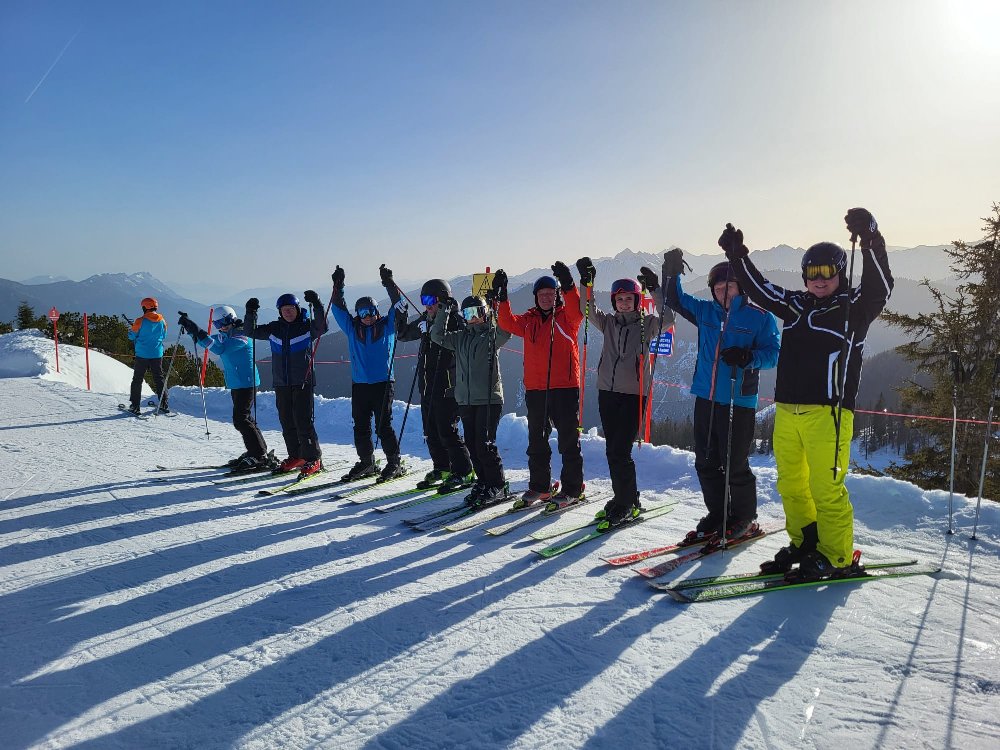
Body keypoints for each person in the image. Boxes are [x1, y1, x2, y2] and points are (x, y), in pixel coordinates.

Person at [719, 207, 893, 581]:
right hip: (787, 411)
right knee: (791, 484)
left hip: (829, 414)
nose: (819, 279)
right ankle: (806, 542)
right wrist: (737, 255)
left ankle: (837, 555)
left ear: (840, 272)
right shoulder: (795, 305)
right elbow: (760, 289)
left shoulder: (855, 308)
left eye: (827, 271)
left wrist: (870, 239)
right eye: (812, 272)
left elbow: (881, 287)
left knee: (826, 488)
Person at [661, 251, 780, 545]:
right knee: (705, 460)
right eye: (717, 288)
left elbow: (774, 354)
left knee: (735, 463)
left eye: (729, 287)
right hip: (706, 397)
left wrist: (748, 357)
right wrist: (672, 272)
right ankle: (719, 514)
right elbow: (676, 299)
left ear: (740, 287)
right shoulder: (705, 312)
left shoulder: (759, 317)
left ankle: (744, 518)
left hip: (739, 401)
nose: (723, 293)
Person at [574, 258, 677, 530]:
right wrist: (586, 283)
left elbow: (669, 318)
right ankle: (626, 497)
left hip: (633, 395)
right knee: (612, 449)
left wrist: (654, 288)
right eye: (619, 300)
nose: (624, 303)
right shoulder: (607, 323)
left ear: (636, 301)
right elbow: (586, 308)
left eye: (629, 299)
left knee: (620, 451)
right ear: (614, 302)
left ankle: (626, 502)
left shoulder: (647, 324)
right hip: (607, 392)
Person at [494, 262, 585, 508]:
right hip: (535, 390)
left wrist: (568, 284)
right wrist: (502, 296)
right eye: (541, 294)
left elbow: (577, 308)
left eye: (550, 293)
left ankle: (573, 488)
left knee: (568, 441)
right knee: (537, 441)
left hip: (565, 388)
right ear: (535, 297)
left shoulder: (568, 318)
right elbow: (506, 323)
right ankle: (540, 487)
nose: (546, 298)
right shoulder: (529, 320)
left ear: (557, 296)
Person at [431, 294, 512, 506]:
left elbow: (507, 331)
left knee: (485, 445)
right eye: (468, 313)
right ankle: (484, 481)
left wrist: (498, 306)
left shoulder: (492, 335)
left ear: (485, 313)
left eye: (477, 312)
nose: (473, 317)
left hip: (488, 400)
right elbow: (437, 335)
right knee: (472, 445)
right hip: (466, 400)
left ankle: (497, 485)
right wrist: (444, 310)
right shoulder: (460, 337)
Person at [397, 278, 475, 494]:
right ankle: (443, 467)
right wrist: (401, 315)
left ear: (442, 299)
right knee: (431, 430)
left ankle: (464, 470)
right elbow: (403, 334)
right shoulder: (426, 319)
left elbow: (465, 336)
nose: (427, 305)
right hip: (427, 385)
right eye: (424, 300)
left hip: (448, 387)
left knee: (447, 430)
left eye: (430, 300)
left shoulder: (455, 320)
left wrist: (437, 323)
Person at [330, 264, 406, 483]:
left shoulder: (387, 325)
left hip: (383, 383)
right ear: (358, 314)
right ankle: (367, 462)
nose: (368, 316)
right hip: (360, 385)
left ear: (376, 311)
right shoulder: (352, 328)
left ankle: (394, 462)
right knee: (361, 425)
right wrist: (338, 285)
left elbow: (399, 305)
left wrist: (389, 283)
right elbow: (338, 308)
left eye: (371, 311)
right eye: (363, 313)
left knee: (383, 426)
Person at [178, 307, 277, 473]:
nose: (221, 327)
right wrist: (191, 329)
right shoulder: (226, 334)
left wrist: (198, 331)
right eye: (217, 324)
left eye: (223, 322)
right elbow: (208, 341)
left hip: (246, 382)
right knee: (245, 418)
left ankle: (258, 454)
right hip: (237, 382)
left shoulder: (242, 335)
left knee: (241, 419)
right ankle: (258, 451)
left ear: (231, 319)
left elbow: (219, 348)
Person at [245, 289, 327, 478]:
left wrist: (317, 304)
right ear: (280, 312)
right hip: (281, 383)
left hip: (303, 381)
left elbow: (322, 326)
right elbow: (250, 331)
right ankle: (297, 456)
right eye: (284, 309)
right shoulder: (274, 329)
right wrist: (250, 312)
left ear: (298, 309)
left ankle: (313, 458)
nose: (288, 312)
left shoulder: (306, 327)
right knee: (287, 421)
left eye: (291, 308)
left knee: (303, 421)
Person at [127, 296, 169, 415]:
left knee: (138, 379)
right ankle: (164, 403)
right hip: (157, 353)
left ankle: (135, 406)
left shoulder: (140, 321)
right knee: (159, 378)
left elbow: (131, 336)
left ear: (145, 307)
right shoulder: (162, 320)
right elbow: (164, 335)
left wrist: (132, 330)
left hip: (142, 354)